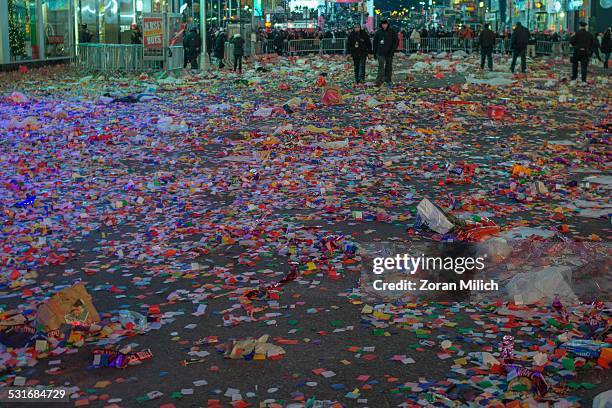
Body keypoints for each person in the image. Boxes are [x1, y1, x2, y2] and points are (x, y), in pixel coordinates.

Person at [373, 20, 398, 86]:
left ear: (387, 24)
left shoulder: (392, 32)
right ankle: (379, 80)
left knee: (389, 66)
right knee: (381, 67)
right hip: (380, 52)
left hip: (389, 52)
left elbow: (396, 41)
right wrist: (374, 52)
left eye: (385, 24)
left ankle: (388, 79)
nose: (384, 25)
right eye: (383, 24)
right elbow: (375, 43)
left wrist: (393, 50)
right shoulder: (378, 32)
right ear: (381, 25)